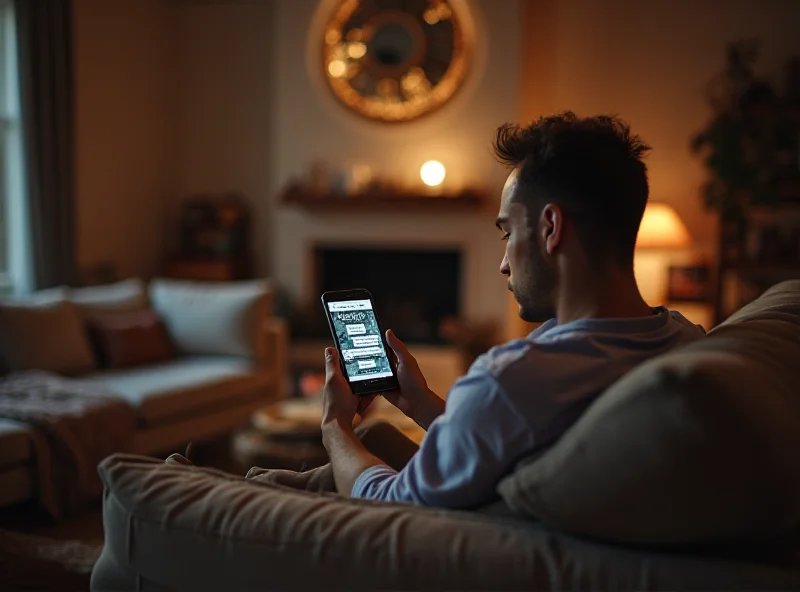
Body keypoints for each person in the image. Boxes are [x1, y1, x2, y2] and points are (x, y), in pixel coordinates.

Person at [262, 112, 705, 509]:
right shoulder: (686, 340)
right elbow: (510, 437)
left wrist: (333, 425)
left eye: (506, 232)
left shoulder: (514, 377)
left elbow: (389, 504)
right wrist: (421, 403)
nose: (503, 262)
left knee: (333, 454)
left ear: (551, 228)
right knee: (366, 442)